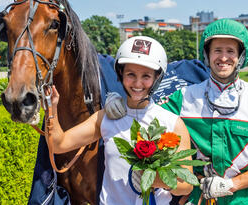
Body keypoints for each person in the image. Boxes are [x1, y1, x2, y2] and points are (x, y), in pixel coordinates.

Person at [105, 19, 248, 205]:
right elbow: (145, 114)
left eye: (230, 51)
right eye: (217, 50)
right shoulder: (183, 98)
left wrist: (231, 185)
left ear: (241, 57)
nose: (223, 57)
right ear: (207, 55)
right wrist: (119, 100)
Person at [46, 36, 193, 205]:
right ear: (120, 74)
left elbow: (187, 185)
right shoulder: (104, 118)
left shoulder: (173, 123)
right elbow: (59, 144)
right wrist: (52, 107)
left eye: (146, 76)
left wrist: (156, 180)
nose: (138, 83)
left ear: (157, 78)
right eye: (131, 74)